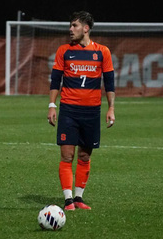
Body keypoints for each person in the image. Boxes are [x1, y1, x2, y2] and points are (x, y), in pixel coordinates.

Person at [47, 11, 115, 211]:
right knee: (67, 155)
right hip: (69, 110)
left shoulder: (103, 52)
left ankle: (78, 198)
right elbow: (55, 81)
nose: (70, 29)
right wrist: (52, 105)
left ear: (86, 28)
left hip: (92, 112)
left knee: (85, 156)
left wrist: (111, 108)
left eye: (74, 25)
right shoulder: (63, 51)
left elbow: (109, 83)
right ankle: (68, 200)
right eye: (70, 25)